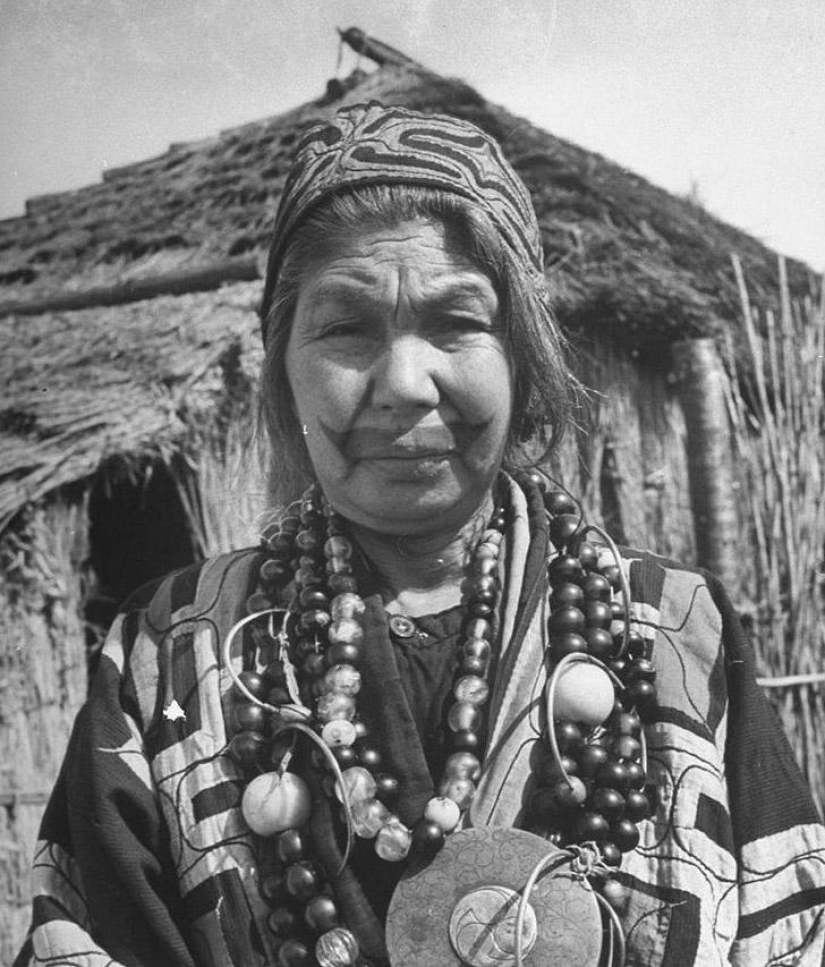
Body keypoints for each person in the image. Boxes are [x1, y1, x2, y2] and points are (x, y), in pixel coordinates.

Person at [15, 103, 825, 967]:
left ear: (524, 357)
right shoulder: (165, 656)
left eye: (456, 322)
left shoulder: (677, 633)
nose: (404, 381)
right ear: (282, 369)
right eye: (345, 327)